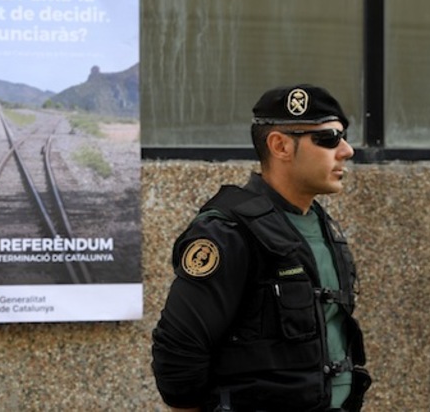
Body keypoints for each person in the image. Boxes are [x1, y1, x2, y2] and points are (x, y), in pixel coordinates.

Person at [151, 84, 371, 412]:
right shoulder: (229, 232)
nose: (346, 151)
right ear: (280, 145)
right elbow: (179, 352)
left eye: (343, 136)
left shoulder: (322, 226)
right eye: (328, 139)